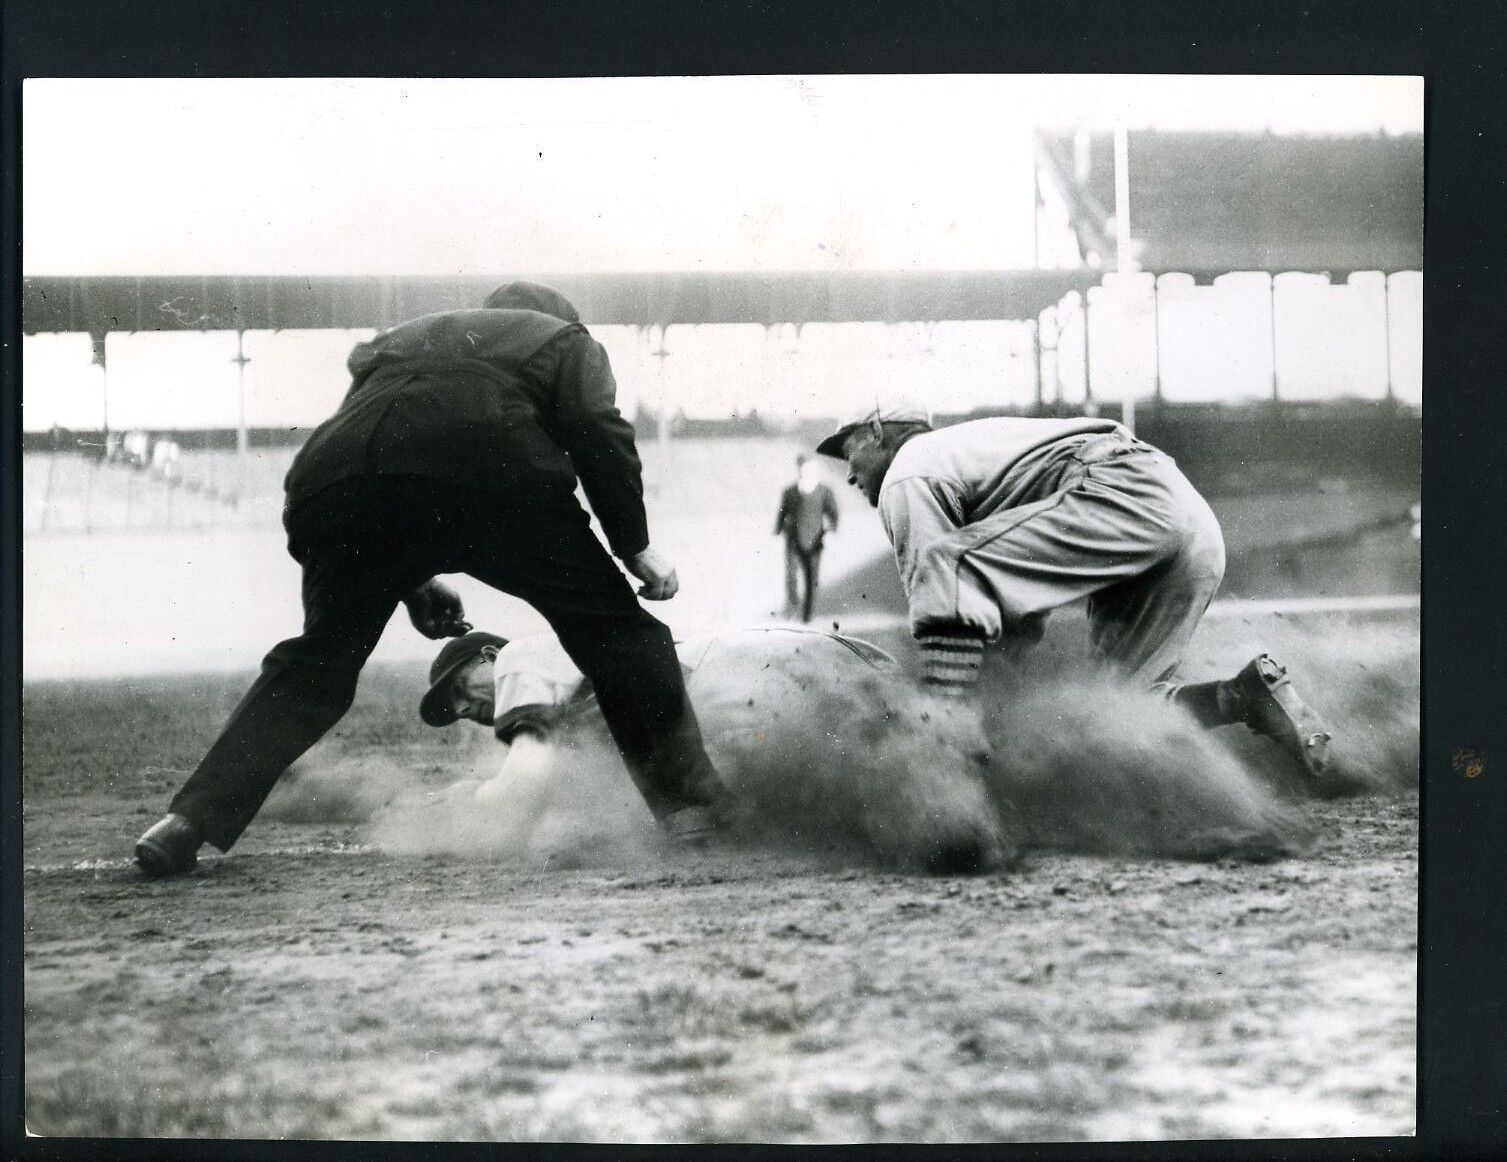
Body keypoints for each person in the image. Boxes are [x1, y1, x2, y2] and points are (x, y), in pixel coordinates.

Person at [134, 282, 726, 876]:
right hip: (488, 471)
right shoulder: (563, 337)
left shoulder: (401, 342)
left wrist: (412, 583)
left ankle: (187, 821)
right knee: (619, 634)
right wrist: (635, 545)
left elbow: (387, 456)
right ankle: (692, 815)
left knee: (319, 664)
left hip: (327, 483)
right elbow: (598, 430)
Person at [814, 403, 1333, 779]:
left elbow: (948, 588)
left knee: (947, 563)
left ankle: (939, 753)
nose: (847, 470)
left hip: (1121, 489)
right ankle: (1244, 697)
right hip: (1188, 519)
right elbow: (1008, 626)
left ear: (879, 431)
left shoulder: (910, 468)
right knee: (1121, 713)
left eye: (849, 446)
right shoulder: (974, 467)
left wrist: (939, 714)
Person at [418, 626, 898, 805]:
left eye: (459, 688)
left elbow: (520, 787)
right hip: (799, 679)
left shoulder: (518, 657)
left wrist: (466, 799)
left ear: (487, 655)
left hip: (757, 678)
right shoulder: (575, 696)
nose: (462, 709)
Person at [773, 454, 840, 622]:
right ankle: (793, 609)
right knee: (791, 577)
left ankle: (807, 615)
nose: (805, 473)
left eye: (809, 470)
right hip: (793, 541)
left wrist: (831, 529)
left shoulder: (824, 491)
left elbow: (833, 514)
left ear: (815, 471)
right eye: (802, 470)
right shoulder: (790, 492)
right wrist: (778, 529)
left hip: (814, 541)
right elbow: (782, 512)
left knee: (812, 579)